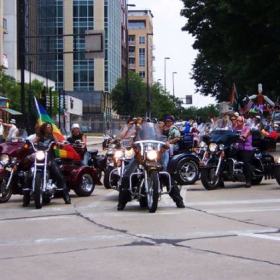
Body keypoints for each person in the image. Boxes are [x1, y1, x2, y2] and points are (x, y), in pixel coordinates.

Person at [117, 118, 185, 210]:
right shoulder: (136, 134)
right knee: (127, 175)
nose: (147, 127)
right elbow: (123, 138)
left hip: (153, 158)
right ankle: (121, 203)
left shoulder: (157, 135)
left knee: (166, 175)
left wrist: (166, 144)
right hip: (139, 158)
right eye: (144, 124)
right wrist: (129, 143)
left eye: (149, 124)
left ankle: (179, 201)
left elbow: (163, 141)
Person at [23, 122, 71, 206]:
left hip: (50, 158)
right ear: (44, 129)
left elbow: (58, 143)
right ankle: (26, 198)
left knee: (58, 174)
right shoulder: (39, 137)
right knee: (29, 174)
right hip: (39, 157)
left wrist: (59, 144)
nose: (50, 129)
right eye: (48, 127)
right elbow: (32, 142)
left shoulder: (53, 137)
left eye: (50, 127)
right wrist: (28, 143)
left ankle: (66, 196)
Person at [236, 116, 253, 188]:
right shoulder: (234, 129)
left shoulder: (247, 128)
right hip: (238, 149)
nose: (238, 122)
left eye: (239, 121)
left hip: (246, 148)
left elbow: (244, 136)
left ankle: (248, 180)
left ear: (243, 122)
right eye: (237, 121)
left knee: (245, 162)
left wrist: (242, 137)